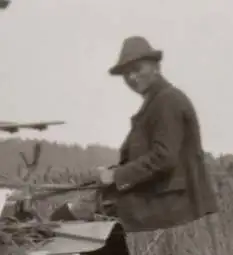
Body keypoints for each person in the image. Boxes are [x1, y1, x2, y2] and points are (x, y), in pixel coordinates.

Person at [50, 36, 218, 232]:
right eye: (126, 73)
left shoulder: (168, 100)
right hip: (162, 197)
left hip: (172, 203)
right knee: (75, 210)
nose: (131, 77)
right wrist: (105, 176)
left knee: (66, 216)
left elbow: (164, 157)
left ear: (156, 67)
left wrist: (115, 175)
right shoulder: (156, 103)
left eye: (137, 69)